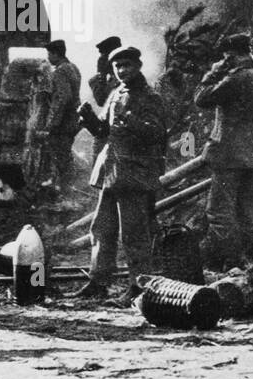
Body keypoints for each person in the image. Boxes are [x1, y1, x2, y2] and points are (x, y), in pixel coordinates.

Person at [78, 45, 167, 305]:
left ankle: (140, 287)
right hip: (112, 172)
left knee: (134, 234)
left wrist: (131, 121)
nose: (121, 70)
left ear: (138, 66)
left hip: (134, 173)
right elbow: (104, 131)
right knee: (101, 230)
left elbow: (157, 133)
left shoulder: (150, 97)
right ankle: (98, 282)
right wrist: (88, 119)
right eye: (117, 67)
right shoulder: (117, 92)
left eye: (127, 65)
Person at [194, 33, 253, 267]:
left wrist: (213, 73)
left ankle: (230, 262)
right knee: (244, 210)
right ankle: (248, 261)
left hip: (228, 153)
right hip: (250, 152)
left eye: (226, 56)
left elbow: (201, 98)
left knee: (219, 212)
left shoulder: (234, 79)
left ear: (230, 55)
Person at [35, 39, 82, 195]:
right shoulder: (73, 67)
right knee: (64, 154)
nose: (48, 58)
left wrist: (51, 123)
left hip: (63, 122)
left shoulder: (60, 71)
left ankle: (64, 193)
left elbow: (62, 99)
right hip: (73, 119)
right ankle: (64, 189)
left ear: (56, 54)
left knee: (60, 157)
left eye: (50, 54)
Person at [87, 35, 121, 160]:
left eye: (103, 55)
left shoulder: (116, 79)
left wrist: (99, 77)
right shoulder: (114, 77)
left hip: (112, 133)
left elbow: (101, 99)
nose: (100, 59)